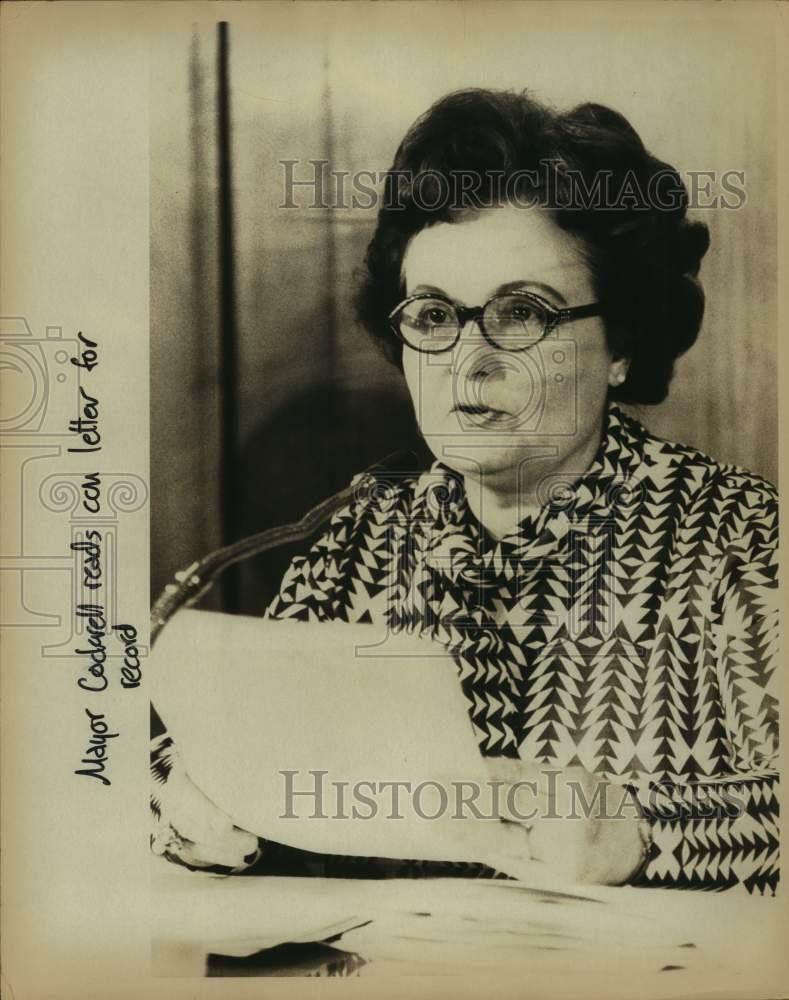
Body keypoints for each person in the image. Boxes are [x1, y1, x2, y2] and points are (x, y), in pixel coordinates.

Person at [151, 88, 778, 892]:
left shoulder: (743, 539)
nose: (469, 361)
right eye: (435, 315)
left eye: (523, 313)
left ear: (621, 341)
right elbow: (202, 762)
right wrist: (193, 808)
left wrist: (649, 834)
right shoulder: (353, 542)